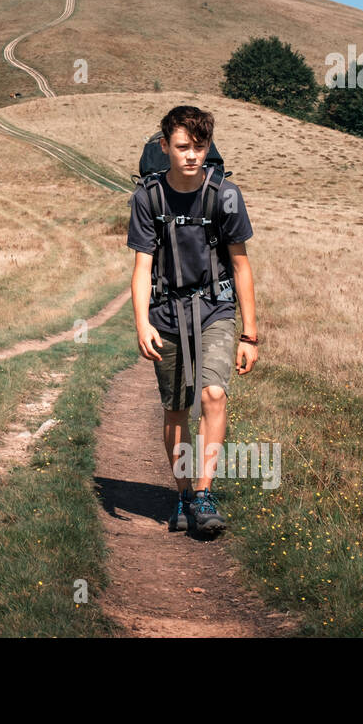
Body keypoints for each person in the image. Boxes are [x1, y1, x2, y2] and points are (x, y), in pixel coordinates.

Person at [126, 105, 258, 534]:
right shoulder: (147, 199)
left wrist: (249, 335)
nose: (191, 156)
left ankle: (203, 494)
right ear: (165, 147)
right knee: (176, 409)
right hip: (165, 313)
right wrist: (142, 322)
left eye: (199, 147)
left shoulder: (226, 196)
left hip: (215, 309)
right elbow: (142, 267)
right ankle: (182, 496)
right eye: (182, 147)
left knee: (214, 395)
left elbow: (241, 266)